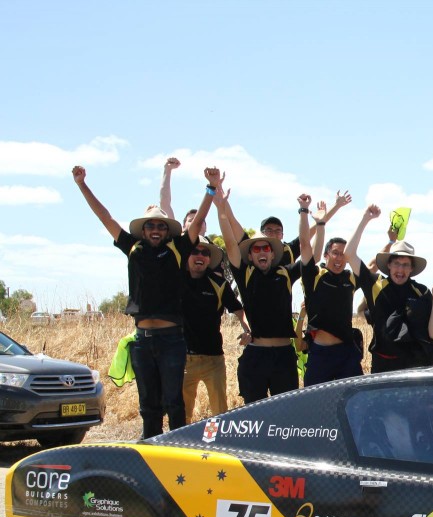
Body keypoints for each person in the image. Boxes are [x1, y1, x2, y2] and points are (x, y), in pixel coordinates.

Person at [72, 165, 213, 438]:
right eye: (151, 225)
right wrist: (82, 185)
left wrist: (211, 188)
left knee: (174, 401)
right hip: (142, 341)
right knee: (148, 404)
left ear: (167, 230)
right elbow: (105, 217)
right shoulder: (133, 247)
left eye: (161, 226)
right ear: (143, 230)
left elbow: (197, 223)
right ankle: (150, 447)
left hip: (172, 339)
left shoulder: (177, 248)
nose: (156, 229)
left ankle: (176, 447)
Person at [217, 181, 303, 403]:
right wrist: (221, 208)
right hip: (256, 356)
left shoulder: (286, 273)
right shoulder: (245, 273)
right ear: (250, 254)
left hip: (284, 356)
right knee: (255, 416)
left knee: (286, 413)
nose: (262, 251)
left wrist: (307, 213)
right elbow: (230, 242)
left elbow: (308, 247)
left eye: (266, 248)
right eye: (257, 248)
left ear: (273, 254)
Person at [345, 205, 432, 373]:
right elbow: (349, 254)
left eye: (405, 264)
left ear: (412, 268)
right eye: (397, 263)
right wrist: (365, 219)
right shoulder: (375, 285)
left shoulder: (422, 292)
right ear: (389, 265)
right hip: (381, 365)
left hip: (414, 365)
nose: (401, 269)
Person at [297, 191, 363, 385]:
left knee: (354, 399)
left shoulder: (350, 278)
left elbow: (373, 267)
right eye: (335, 253)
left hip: (347, 354)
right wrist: (305, 212)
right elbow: (304, 245)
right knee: (315, 400)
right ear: (326, 255)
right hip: (320, 354)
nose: (339, 257)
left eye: (343, 254)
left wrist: (391, 240)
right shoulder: (315, 276)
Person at [180, 239, 247, 420]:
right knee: (181, 415)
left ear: (209, 259)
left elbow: (239, 309)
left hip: (214, 359)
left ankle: (218, 438)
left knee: (220, 413)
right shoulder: (176, 279)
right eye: (195, 251)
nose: (200, 256)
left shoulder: (219, 283)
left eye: (205, 253)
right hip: (183, 360)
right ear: (187, 255)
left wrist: (248, 329)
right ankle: (182, 439)